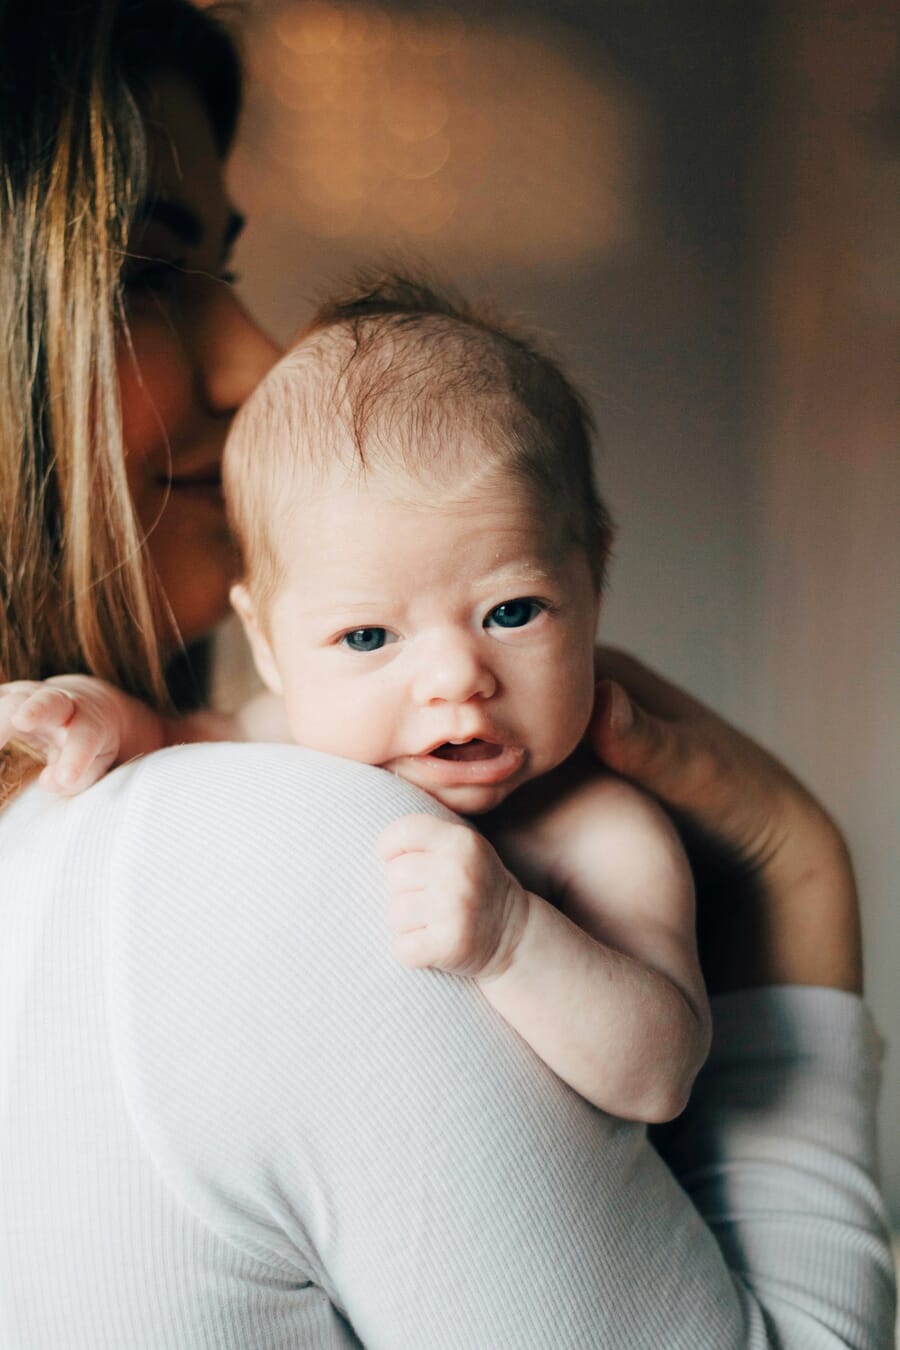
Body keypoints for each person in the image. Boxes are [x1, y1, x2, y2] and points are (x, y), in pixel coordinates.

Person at [0, 2, 894, 1347]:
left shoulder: (82, 837)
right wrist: (797, 872)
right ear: (276, 619)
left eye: (514, 610)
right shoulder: (286, 845)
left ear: (593, 576)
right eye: (146, 272)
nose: (256, 352)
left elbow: (658, 1058)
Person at [5, 277, 712, 1124]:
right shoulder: (275, 738)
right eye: (370, 638)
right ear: (265, 643)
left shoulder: (602, 830)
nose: (457, 679)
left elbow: (661, 1076)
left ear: (592, 584)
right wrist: (94, 717)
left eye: (511, 612)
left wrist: (514, 938)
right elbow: (170, 741)